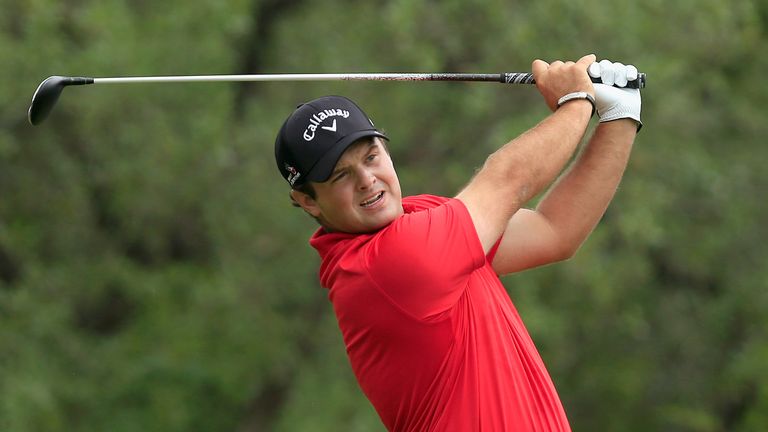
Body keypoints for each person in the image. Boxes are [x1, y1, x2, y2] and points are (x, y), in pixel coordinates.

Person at [274, 54, 641, 431]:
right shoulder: (383, 265)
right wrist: (576, 101)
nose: (367, 180)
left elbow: (554, 231)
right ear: (307, 200)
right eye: (340, 176)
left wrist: (619, 116)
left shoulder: (423, 218)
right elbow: (507, 180)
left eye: (371, 157)